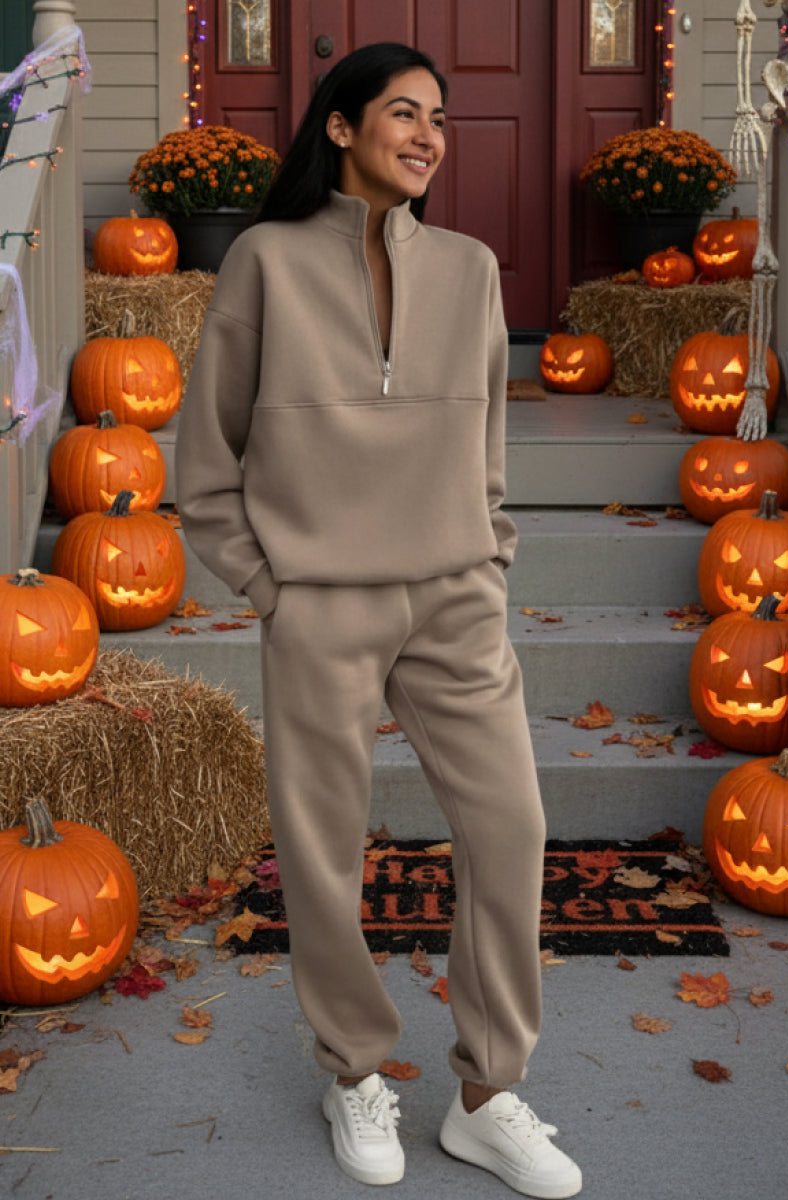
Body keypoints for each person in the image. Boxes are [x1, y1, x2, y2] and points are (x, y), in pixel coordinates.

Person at [175, 41, 582, 1199]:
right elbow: (208, 456)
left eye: (440, 119)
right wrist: (269, 585)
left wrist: (487, 553)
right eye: (402, 112)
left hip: (453, 594)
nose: (427, 134)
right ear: (341, 127)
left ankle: (487, 1093)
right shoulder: (262, 260)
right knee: (322, 853)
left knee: (509, 826)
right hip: (319, 599)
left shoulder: (468, 266)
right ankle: (353, 1066)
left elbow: (486, 445)